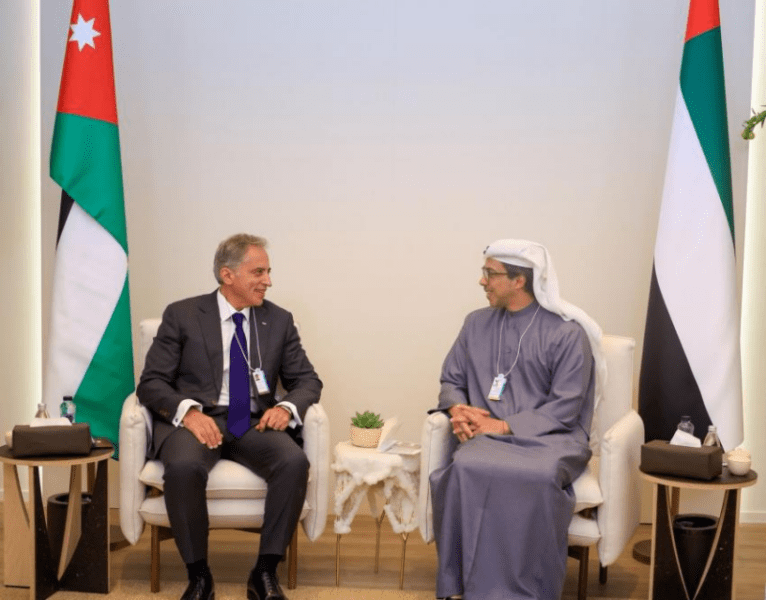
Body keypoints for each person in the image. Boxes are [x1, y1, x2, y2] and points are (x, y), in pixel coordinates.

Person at [137, 233, 322, 600]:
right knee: (184, 467)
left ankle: (265, 572)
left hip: (251, 421)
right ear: (227, 275)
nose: (268, 281)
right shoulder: (183, 315)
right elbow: (151, 382)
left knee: (293, 462)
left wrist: (285, 408)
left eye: (268, 272)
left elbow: (307, 381)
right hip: (198, 421)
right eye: (259, 272)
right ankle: (199, 576)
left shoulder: (278, 320)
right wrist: (188, 413)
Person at [430, 239, 606, 600]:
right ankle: (466, 586)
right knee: (466, 466)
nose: (482, 281)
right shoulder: (475, 324)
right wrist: (458, 409)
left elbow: (567, 406)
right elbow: (451, 380)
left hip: (551, 439)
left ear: (519, 280)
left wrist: (503, 425)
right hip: (484, 439)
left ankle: (530, 591)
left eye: (490, 273)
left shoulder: (567, 333)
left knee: (538, 476)